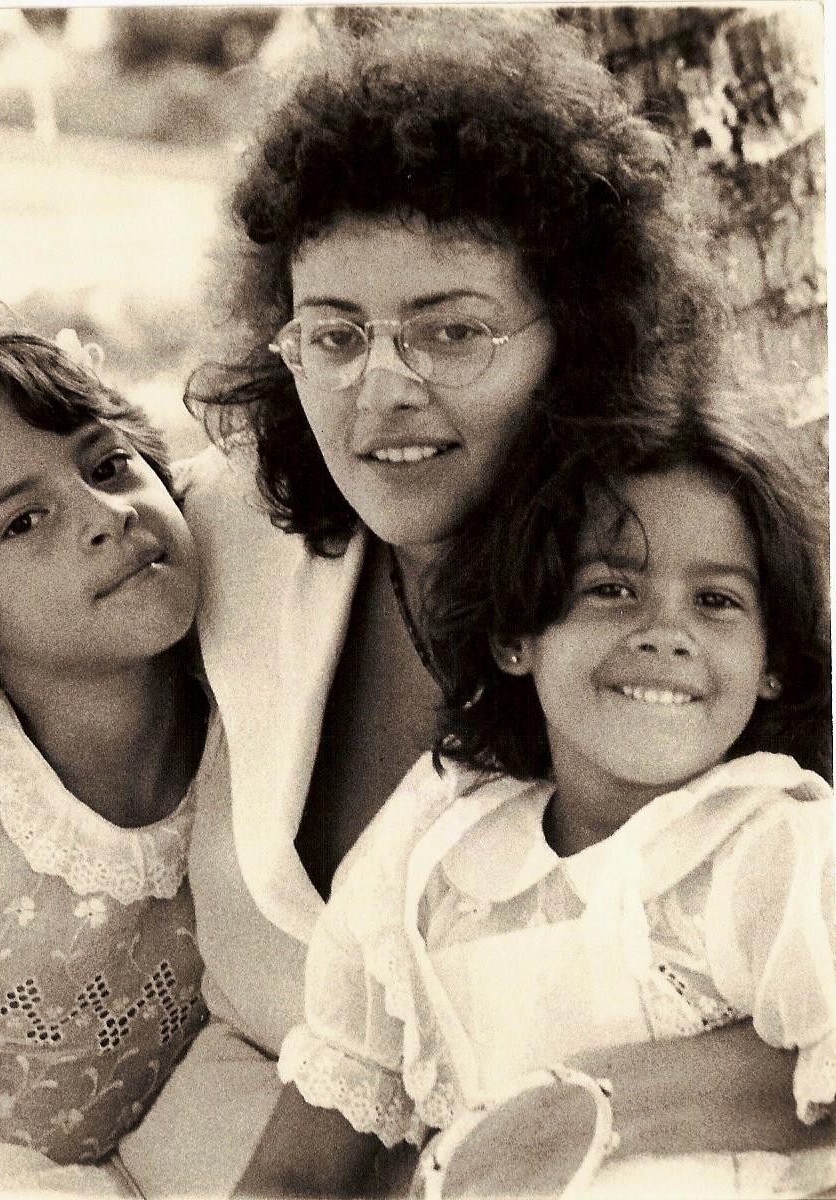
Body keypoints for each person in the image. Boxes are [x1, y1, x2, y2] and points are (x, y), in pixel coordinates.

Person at [117, 9, 833, 1197]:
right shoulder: (226, 538)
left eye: (451, 331)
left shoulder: (708, 611)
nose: (381, 389)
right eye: (334, 334)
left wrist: (572, 1105)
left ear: (583, 336)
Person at [237, 399, 833, 1197]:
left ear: (774, 664)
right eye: (612, 588)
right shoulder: (434, 851)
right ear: (515, 636)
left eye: (717, 601)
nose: (667, 632)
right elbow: (297, 1176)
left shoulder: (781, 844)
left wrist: (568, 1107)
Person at [0, 332, 210, 1198]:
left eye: (107, 466)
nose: (108, 517)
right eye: (26, 520)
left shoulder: (243, 702)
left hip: (186, 1146)